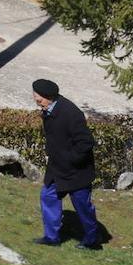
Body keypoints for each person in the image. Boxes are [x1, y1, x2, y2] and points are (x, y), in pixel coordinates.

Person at [31, 78, 102, 250]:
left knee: (82, 206)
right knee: (48, 196)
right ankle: (51, 237)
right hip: (57, 169)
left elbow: (86, 143)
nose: (38, 104)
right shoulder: (49, 109)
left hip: (76, 171)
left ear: (49, 97)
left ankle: (92, 240)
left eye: (40, 101)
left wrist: (70, 160)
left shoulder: (71, 113)